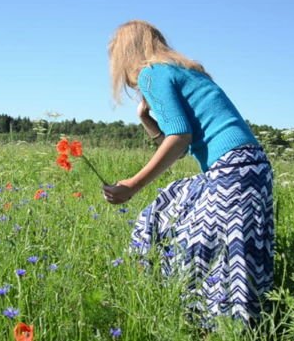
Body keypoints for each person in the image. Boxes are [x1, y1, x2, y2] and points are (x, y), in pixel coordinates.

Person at [102, 20, 274, 329]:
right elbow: (181, 145)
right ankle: (229, 323)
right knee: (176, 215)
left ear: (126, 54)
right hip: (252, 166)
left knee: (199, 244)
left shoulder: (152, 74)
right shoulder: (184, 70)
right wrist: (146, 119)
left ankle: (210, 323)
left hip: (231, 169)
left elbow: (179, 137)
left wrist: (132, 185)